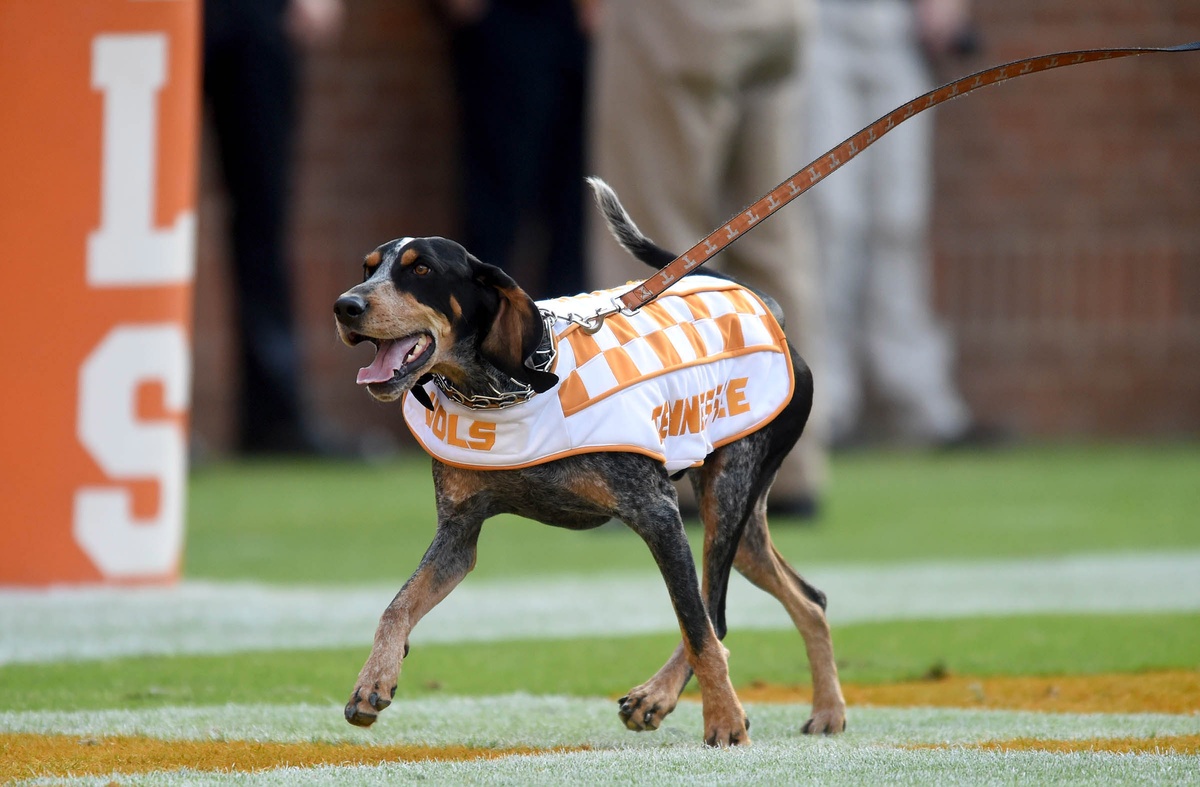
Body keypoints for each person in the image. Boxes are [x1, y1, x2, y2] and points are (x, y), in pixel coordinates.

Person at [586, 0, 827, 517]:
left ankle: (661, 473)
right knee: (770, 239)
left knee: (651, 233)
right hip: (780, 16)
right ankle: (786, 472)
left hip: (679, 16)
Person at [806, 0, 991, 448]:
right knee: (832, 219)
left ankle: (921, 402)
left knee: (900, 220)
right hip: (815, 25)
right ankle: (828, 406)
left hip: (895, 27)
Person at [202, 0, 345, 455]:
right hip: (153, 18)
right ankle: (139, 412)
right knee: (141, 208)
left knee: (265, 216)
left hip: (258, 13)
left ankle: (274, 419)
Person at [439, 0, 590, 300]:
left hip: (577, 22)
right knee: (494, 200)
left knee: (578, 201)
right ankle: (481, 333)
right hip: (505, 18)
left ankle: (568, 334)